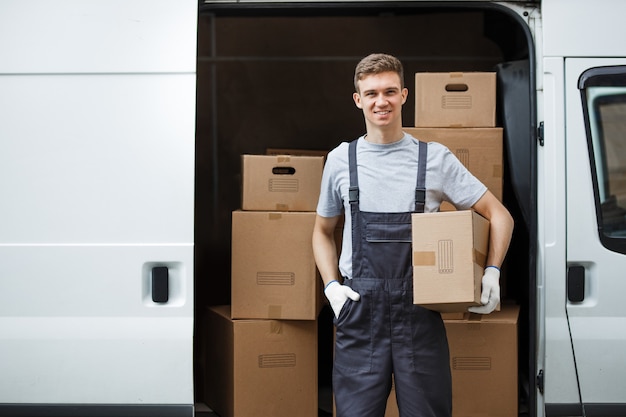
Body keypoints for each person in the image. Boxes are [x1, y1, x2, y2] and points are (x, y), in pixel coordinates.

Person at [312, 53, 514, 417]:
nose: (381, 101)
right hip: (359, 311)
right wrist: (331, 286)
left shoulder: (434, 159)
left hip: (418, 314)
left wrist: (493, 272)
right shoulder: (341, 160)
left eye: (390, 91)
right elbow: (322, 232)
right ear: (358, 99)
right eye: (371, 93)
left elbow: (499, 216)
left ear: (404, 95)